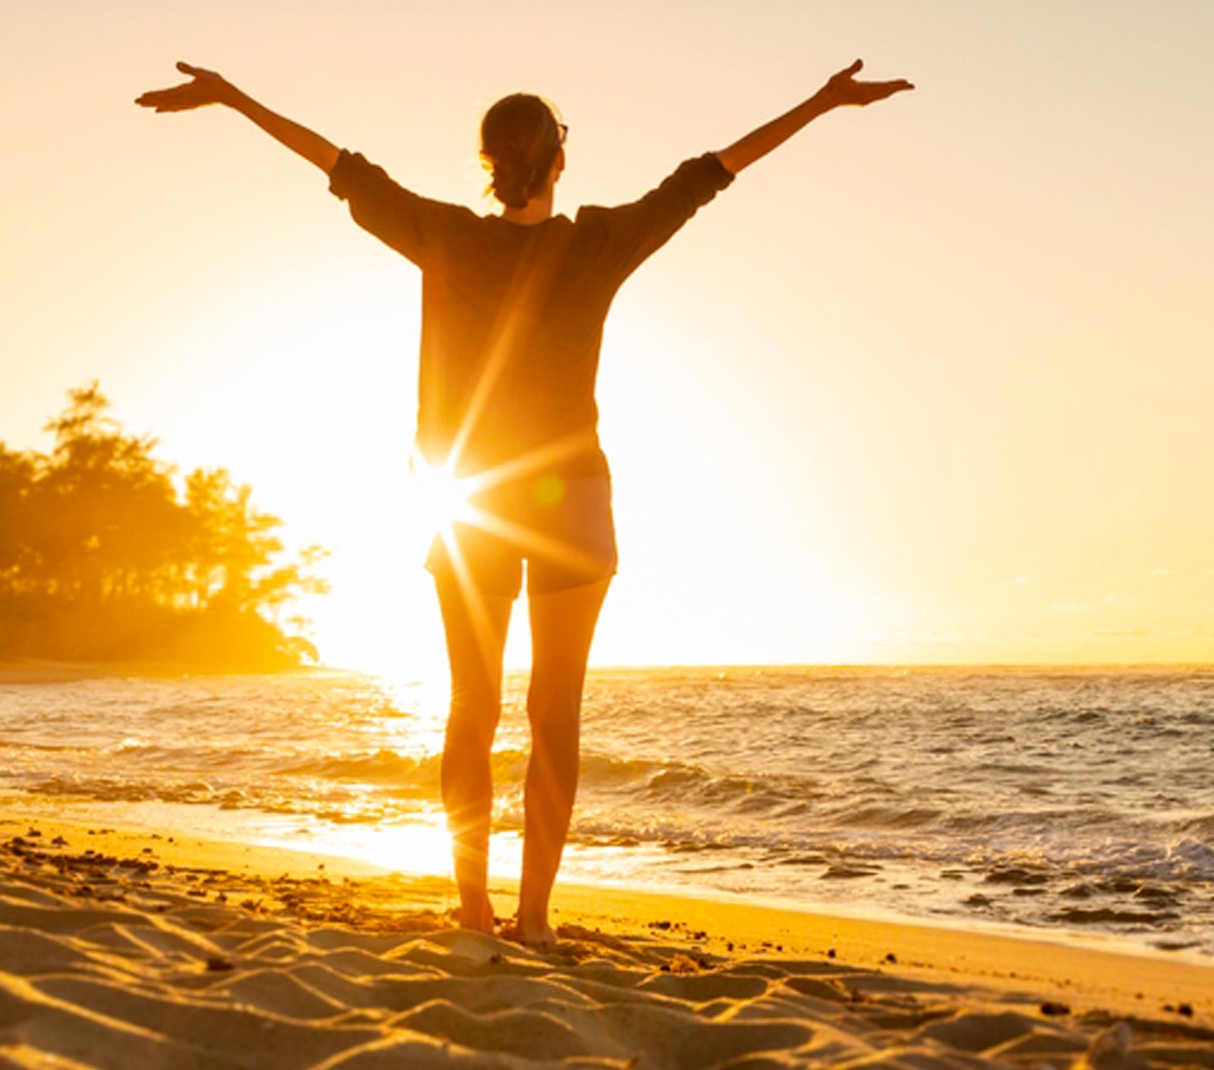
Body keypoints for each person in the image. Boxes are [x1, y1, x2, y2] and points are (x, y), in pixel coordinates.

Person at [135, 56, 912, 944]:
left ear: (487, 162)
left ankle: (472, 908)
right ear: (558, 162)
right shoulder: (596, 242)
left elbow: (337, 164)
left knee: (470, 708)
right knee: (555, 715)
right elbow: (711, 173)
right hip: (572, 497)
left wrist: (232, 97)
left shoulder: (445, 235)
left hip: (471, 505)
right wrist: (822, 100)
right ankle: (534, 919)